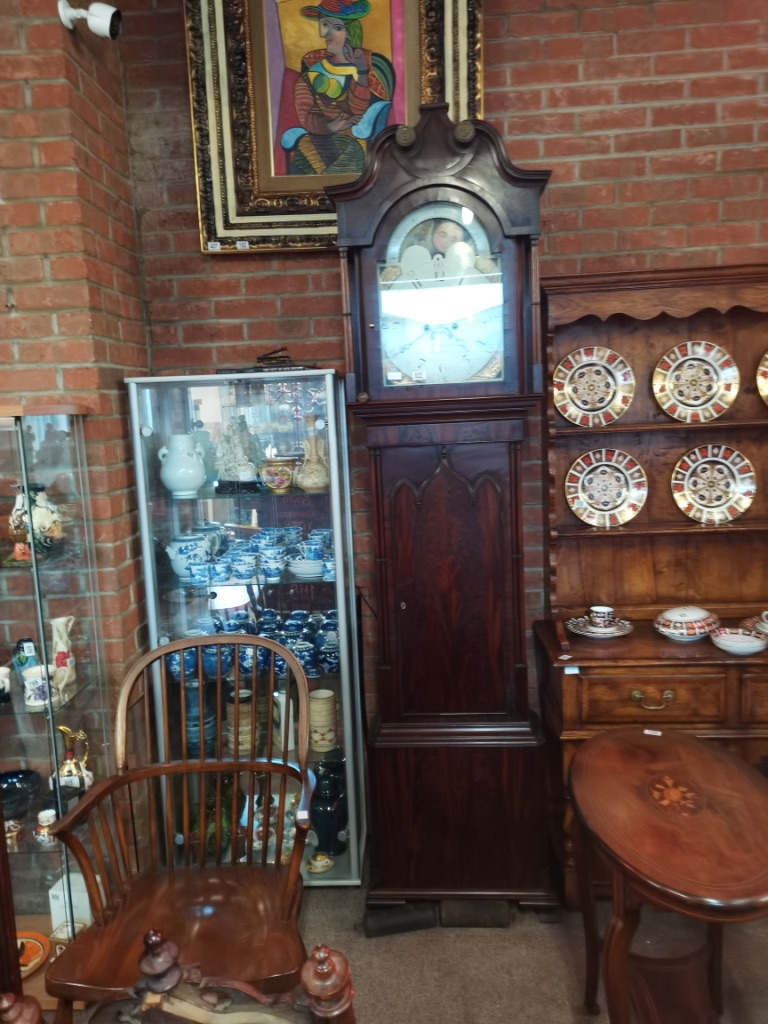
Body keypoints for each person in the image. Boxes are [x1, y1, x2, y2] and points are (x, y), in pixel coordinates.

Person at [284, 0, 392, 176]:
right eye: (323, 25)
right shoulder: (313, 70)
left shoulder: (363, 69)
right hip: (319, 137)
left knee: (352, 152)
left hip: (353, 141)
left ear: (350, 32)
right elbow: (306, 114)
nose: (324, 34)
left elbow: (358, 110)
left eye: (335, 27)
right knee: (304, 151)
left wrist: (362, 72)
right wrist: (331, 127)